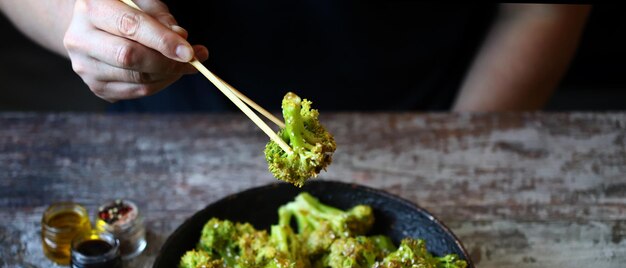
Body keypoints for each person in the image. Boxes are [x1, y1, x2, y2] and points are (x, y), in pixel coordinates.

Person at [0, 1, 591, 112]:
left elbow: (539, 9)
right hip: (171, 113)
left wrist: (458, 144)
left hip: (433, 109)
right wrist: (78, 16)